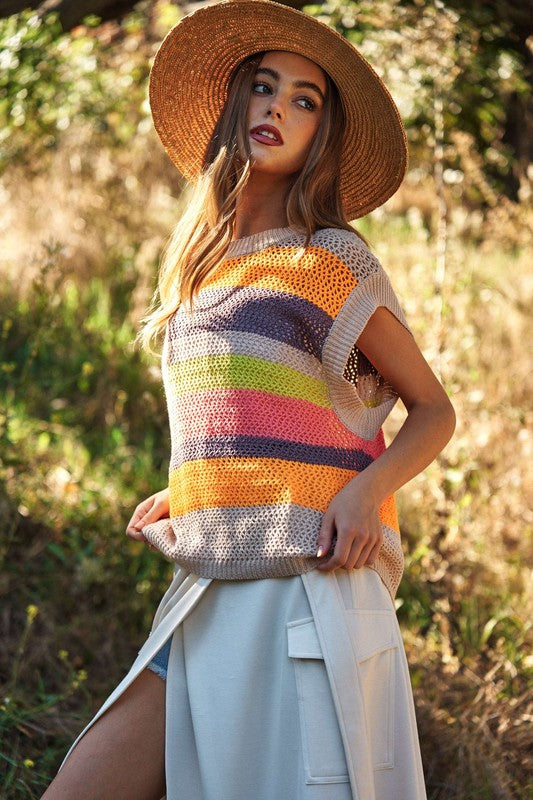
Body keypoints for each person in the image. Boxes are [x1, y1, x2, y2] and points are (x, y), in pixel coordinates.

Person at [41, 1, 456, 799]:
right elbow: (254, 422)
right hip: (206, 579)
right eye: (264, 87)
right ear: (237, 105)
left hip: (299, 585)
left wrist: (369, 496)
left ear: (321, 136)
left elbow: (431, 409)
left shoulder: (327, 258)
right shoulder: (202, 269)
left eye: (305, 99)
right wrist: (196, 488)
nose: (277, 108)